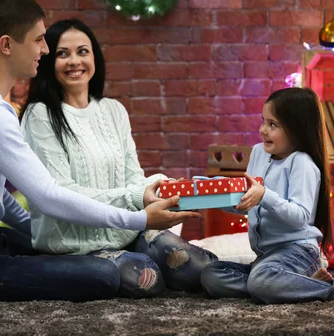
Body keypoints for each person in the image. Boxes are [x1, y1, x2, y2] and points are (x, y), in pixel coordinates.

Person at [0, 0, 199, 302]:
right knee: (104, 275)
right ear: (6, 45)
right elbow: (48, 197)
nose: (45, 50)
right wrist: (140, 220)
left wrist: (31, 231)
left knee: (47, 242)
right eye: (38, 40)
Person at [18, 18, 218, 298]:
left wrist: (156, 188)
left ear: (95, 57)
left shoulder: (113, 110)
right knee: (148, 278)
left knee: (193, 263)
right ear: (49, 61)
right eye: (62, 53)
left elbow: (132, 178)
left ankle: (261, 277)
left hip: (128, 232)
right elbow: (62, 192)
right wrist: (137, 197)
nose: (74, 61)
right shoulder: (39, 115)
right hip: (75, 247)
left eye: (82, 51)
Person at [200, 87, 334, 304]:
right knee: (211, 275)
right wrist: (214, 195)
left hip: (298, 252)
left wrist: (265, 195)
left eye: (273, 124)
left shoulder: (302, 163)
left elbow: (299, 216)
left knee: (261, 281)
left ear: (297, 129)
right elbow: (248, 201)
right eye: (263, 121)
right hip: (267, 258)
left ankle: (333, 291)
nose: (263, 129)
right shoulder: (258, 153)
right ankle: (296, 284)